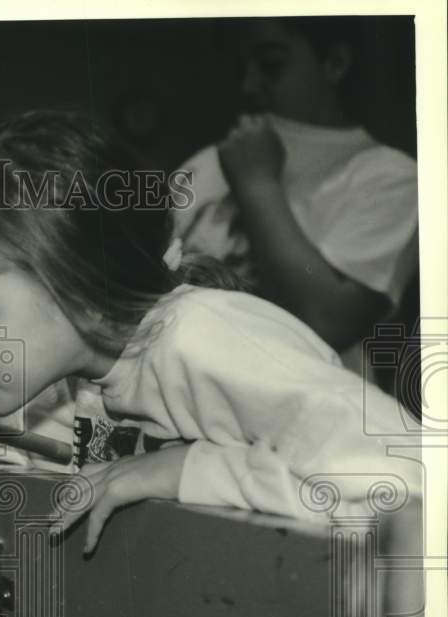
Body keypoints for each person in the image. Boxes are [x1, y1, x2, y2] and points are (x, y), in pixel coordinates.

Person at [0, 109, 424, 617]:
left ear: (78, 286)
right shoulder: (86, 373)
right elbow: (31, 441)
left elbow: (407, 476)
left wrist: (183, 469)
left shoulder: (203, 337)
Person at [172, 17, 418, 384]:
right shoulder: (208, 161)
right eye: (241, 69)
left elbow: (327, 322)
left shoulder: (392, 178)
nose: (249, 85)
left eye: (271, 64)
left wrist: (257, 186)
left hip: (310, 413)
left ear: (335, 63)